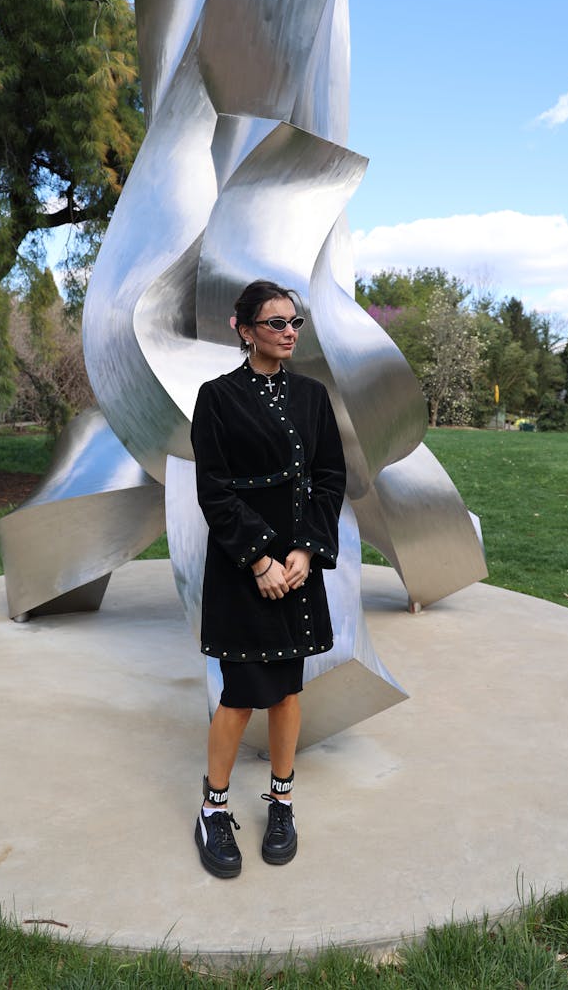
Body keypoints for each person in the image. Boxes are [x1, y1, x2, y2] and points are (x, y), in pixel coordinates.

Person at [190, 279, 346, 878]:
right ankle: (213, 808)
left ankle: (282, 802)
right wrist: (259, 560)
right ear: (244, 328)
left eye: (295, 322)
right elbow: (215, 491)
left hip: (299, 568)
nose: (289, 332)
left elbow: (329, 477)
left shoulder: (312, 396)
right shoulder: (216, 398)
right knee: (238, 696)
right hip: (241, 569)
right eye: (276, 322)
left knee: (286, 690)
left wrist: (305, 552)